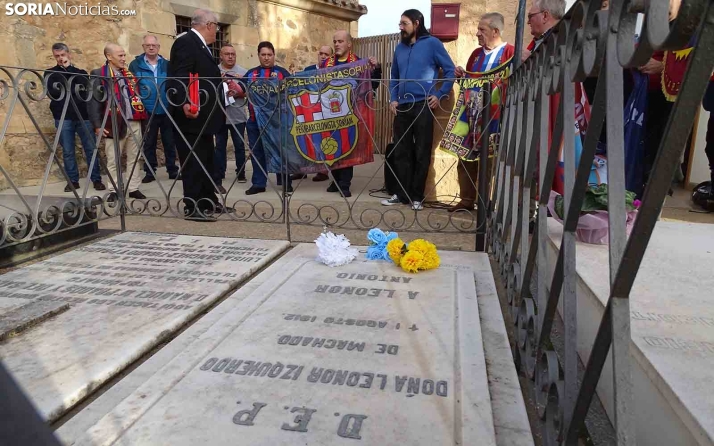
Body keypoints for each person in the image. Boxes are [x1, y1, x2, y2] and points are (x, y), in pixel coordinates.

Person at [382, 9, 455, 210]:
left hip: (423, 104)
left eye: (404, 23)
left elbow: (449, 70)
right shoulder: (400, 48)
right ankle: (400, 193)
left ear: (416, 23)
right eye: (400, 23)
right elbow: (394, 76)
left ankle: (416, 197)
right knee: (400, 150)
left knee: (422, 151)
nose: (400, 27)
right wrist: (393, 99)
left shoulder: (432, 43)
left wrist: (440, 94)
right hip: (402, 107)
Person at [450, 12, 515, 212]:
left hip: (496, 117)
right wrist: (462, 75)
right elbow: (471, 82)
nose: (477, 33)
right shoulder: (476, 54)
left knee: (490, 162)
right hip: (471, 116)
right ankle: (466, 200)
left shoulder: (510, 52)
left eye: (482, 30)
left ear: (495, 31)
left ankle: (487, 204)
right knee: (466, 158)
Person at [168, 9, 228, 221]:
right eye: (217, 27)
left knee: (206, 158)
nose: (217, 31)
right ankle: (192, 206)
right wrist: (184, 101)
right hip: (191, 115)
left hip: (205, 116)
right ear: (209, 25)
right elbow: (180, 74)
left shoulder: (201, 44)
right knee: (193, 160)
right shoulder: (187, 42)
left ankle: (208, 201)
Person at [317, 30, 381, 198]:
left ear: (349, 44)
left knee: (347, 148)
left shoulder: (359, 63)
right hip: (329, 113)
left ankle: (345, 184)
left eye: (340, 41)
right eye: (335, 41)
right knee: (332, 148)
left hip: (350, 114)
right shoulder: (327, 64)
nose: (336, 44)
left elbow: (371, 85)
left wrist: (376, 70)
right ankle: (336, 180)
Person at [88, 43, 147, 201]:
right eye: (120, 55)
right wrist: (97, 125)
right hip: (113, 121)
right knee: (114, 158)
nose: (123, 58)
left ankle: (133, 188)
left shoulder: (128, 74)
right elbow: (94, 101)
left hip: (134, 120)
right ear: (109, 57)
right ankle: (114, 189)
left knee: (134, 157)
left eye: (123, 55)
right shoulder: (99, 74)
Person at [46, 43, 106, 192]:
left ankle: (96, 179)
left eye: (63, 55)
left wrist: (68, 72)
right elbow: (54, 93)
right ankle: (73, 180)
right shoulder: (50, 73)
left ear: (69, 55)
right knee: (68, 150)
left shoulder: (81, 73)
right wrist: (65, 74)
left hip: (83, 116)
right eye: (57, 56)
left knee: (91, 149)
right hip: (63, 116)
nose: (60, 58)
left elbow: (85, 93)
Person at [242, 41, 293, 195]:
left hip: (278, 122)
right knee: (257, 152)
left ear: (273, 56)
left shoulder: (282, 73)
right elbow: (241, 89)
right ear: (258, 56)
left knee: (281, 151)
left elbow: (292, 91)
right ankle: (258, 183)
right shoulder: (250, 74)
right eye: (263, 55)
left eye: (269, 55)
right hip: (254, 121)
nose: (266, 58)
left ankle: (285, 182)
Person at [128, 35, 179, 184]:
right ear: (143, 47)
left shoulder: (167, 64)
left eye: (154, 45)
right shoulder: (135, 65)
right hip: (147, 109)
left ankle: (172, 170)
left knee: (169, 141)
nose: (151, 47)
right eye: (148, 45)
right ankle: (150, 172)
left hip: (166, 108)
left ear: (158, 47)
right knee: (148, 142)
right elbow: (132, 86)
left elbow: (173, 84)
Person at [291, 45, 334, 182]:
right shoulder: (308, 70)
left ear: (331, 57)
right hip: (308, 110)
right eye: (320, 53)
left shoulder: (333, 71)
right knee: (305, 139)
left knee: (324, 140)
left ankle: (323, 171)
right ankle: (302, 170)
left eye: (326, 54)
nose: (322, 56)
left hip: (326, 111)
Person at [215, 44, 248, 193]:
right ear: (221, 55)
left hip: (238, 115)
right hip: (220, 115)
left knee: (239, 146)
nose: (230, 56)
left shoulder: (243, 72)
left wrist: (239, 89)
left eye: (233, 54)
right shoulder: (214, 71)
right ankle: (219, 174)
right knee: (220, 146)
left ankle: (241, 173)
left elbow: (249, 92)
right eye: (227, 54)